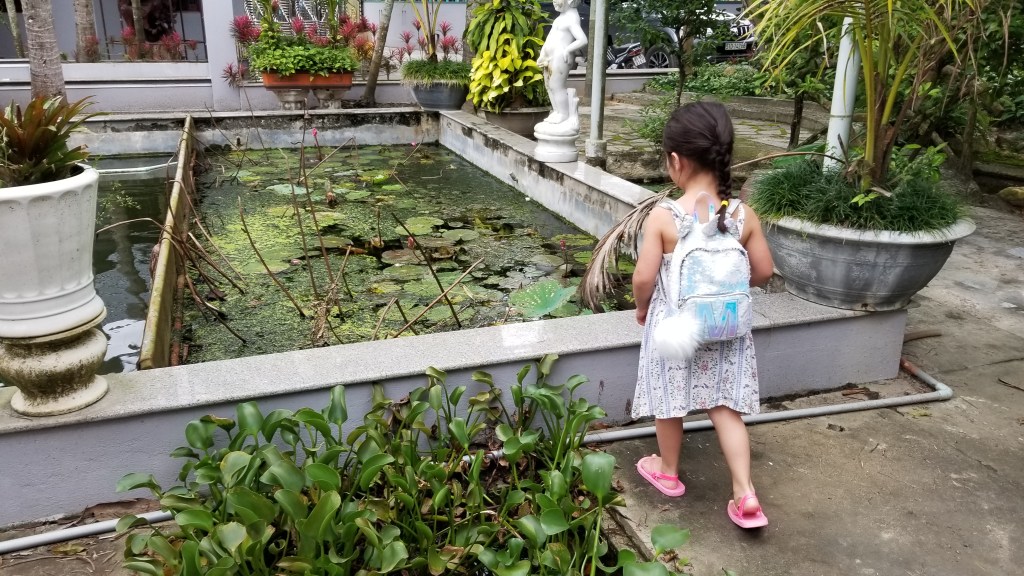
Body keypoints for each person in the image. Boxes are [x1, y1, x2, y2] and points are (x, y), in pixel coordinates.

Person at [630, 101, 775, 529]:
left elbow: (643, 277)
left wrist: (642, 308)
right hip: (727, 326)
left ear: (676, 161)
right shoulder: (743, 215)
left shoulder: (665, 217)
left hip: (676, 325)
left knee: (669, 399)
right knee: (725, 406)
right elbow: (763, 272)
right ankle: (745, 492)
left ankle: (668, 471)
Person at [536, 0, 587, 126]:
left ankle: (563, 114)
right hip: (550, 56)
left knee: (556, 86)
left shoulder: (572, 18)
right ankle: (557, 111)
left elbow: (582, 40)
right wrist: (543, 54)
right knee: (549, 85)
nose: (554, 2)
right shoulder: (561, 17)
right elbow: (551, 37)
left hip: (560, 57)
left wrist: (568, 50)